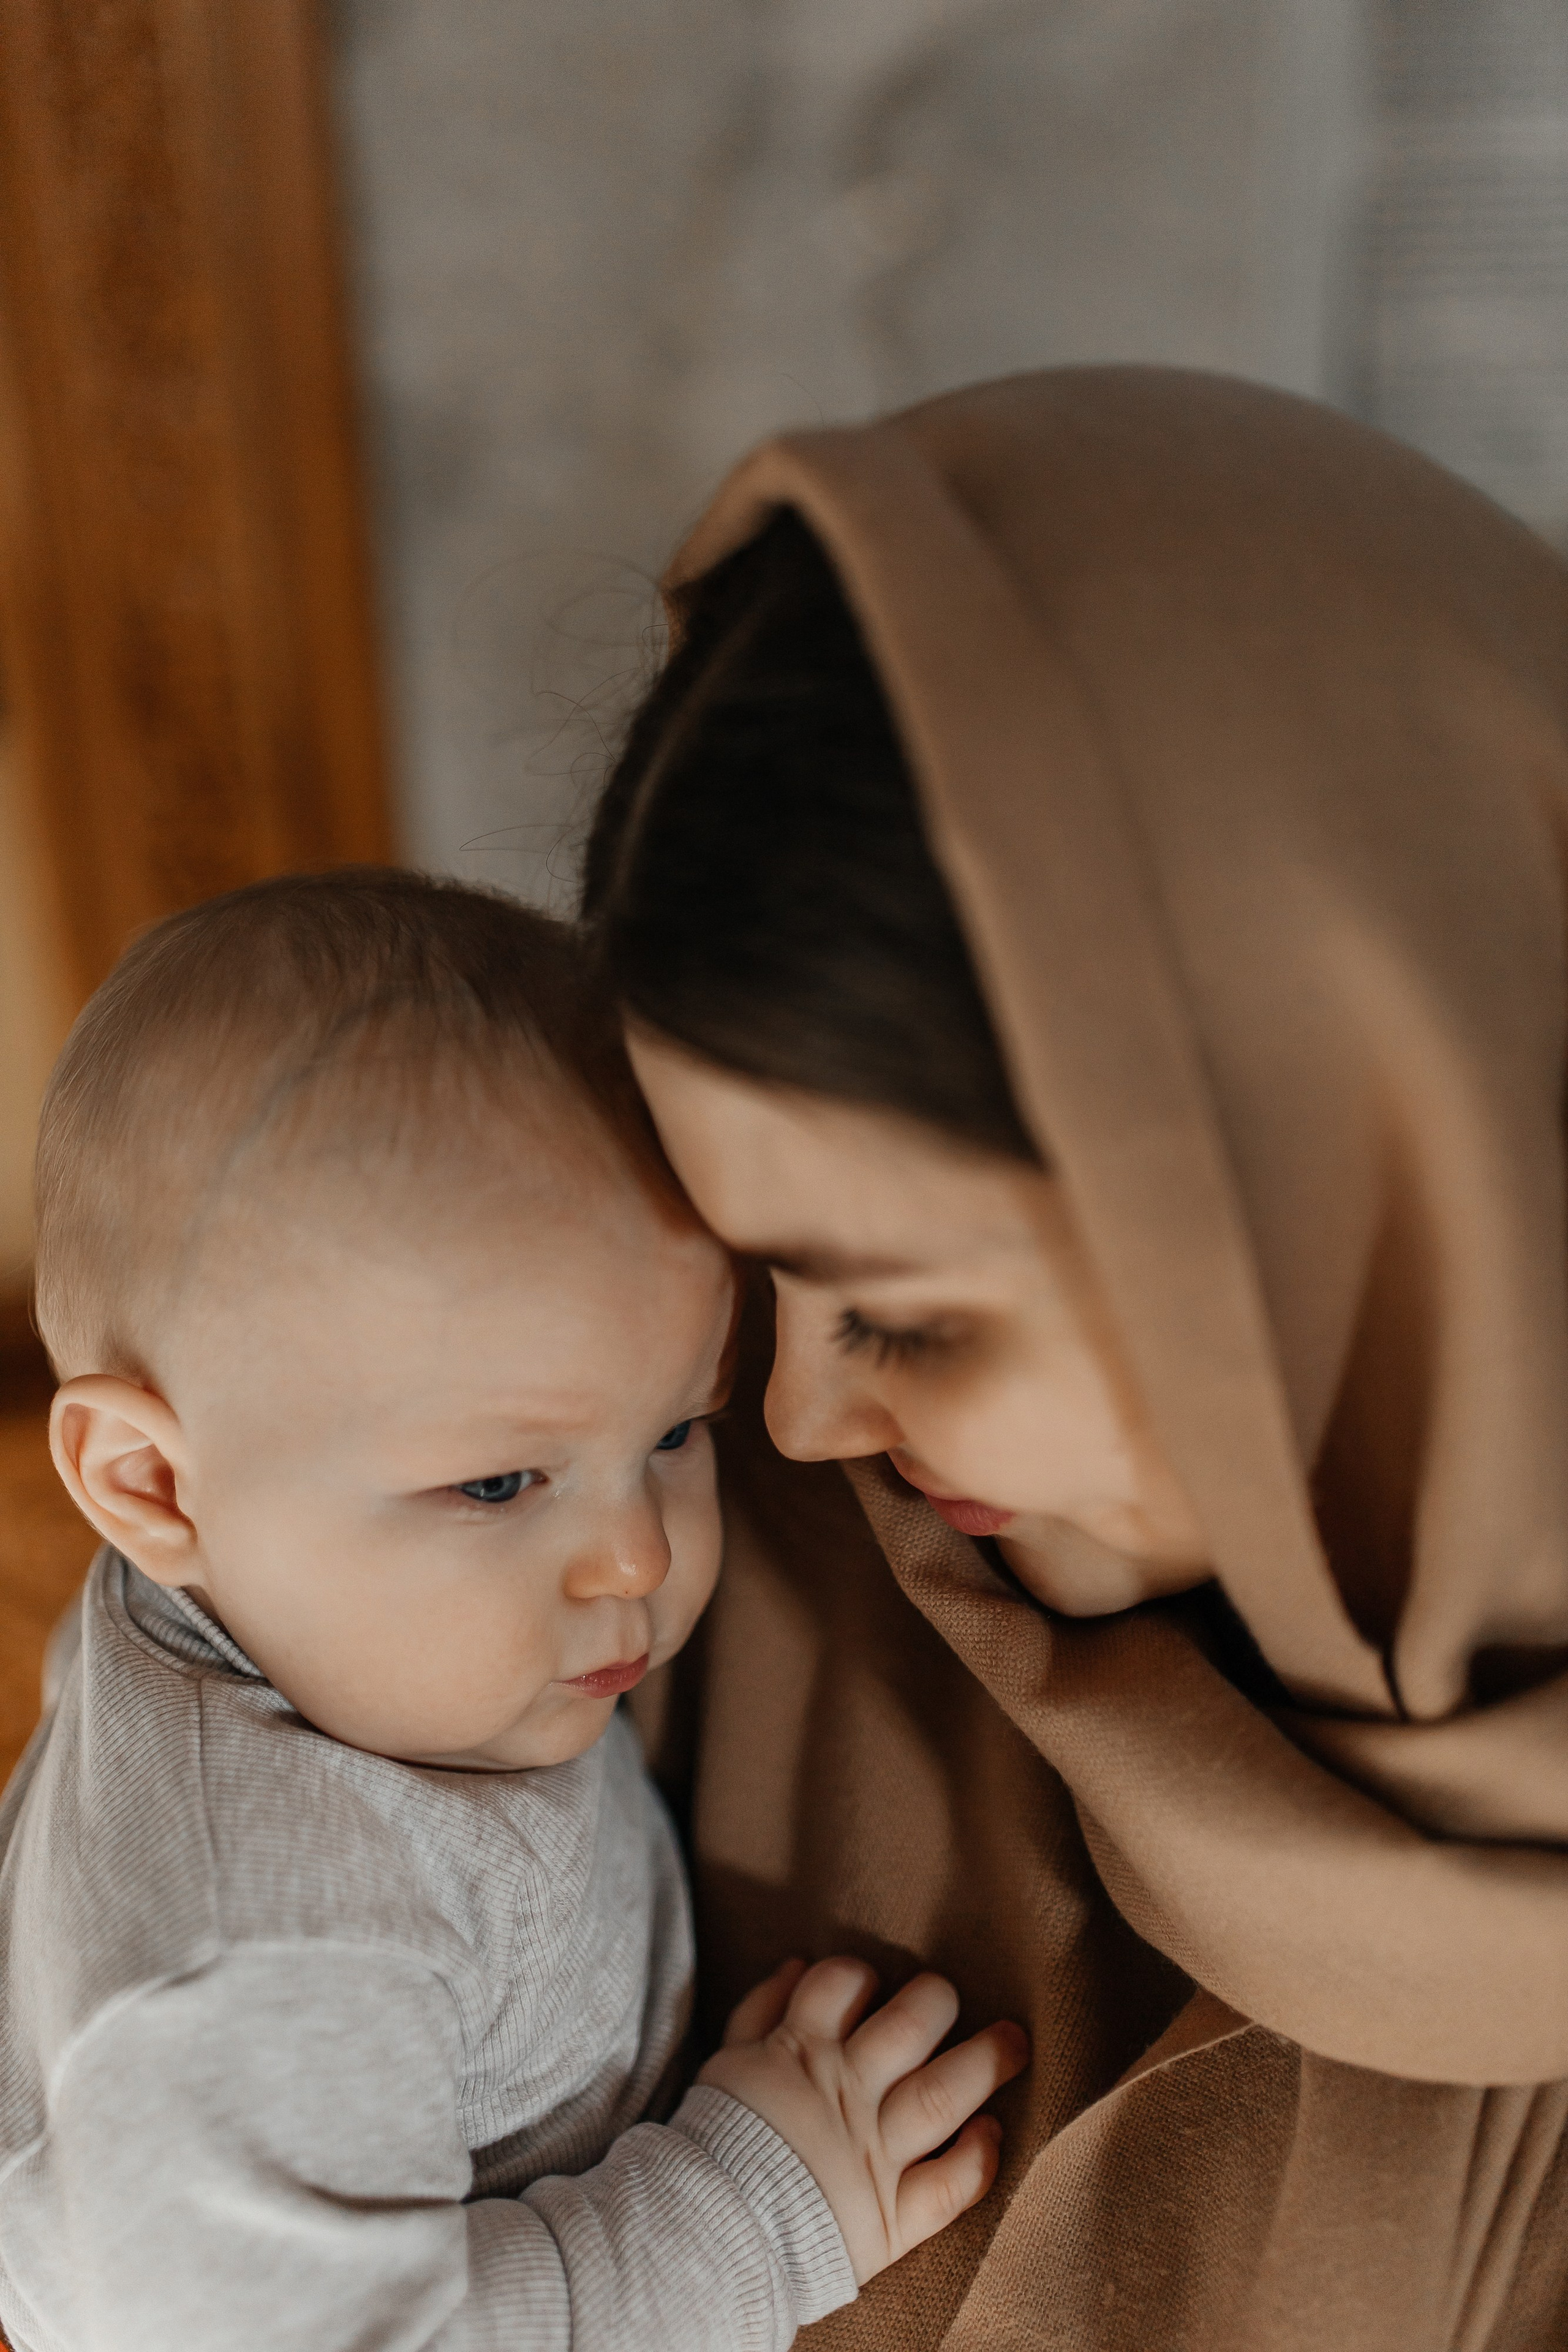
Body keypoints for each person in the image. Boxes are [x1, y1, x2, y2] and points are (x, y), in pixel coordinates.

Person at [582, 367, 1568, 2348]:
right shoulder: (649, 1577)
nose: (794, 1412)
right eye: (756, 1284)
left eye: (909, 1315)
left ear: (1339, 1205)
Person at [0, 870, 1026, 2352]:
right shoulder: (258, 1974)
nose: (634, 1557)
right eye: (497, 1486)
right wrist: (751, 2210)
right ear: (151, 1486)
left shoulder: (283, 1568)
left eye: (677, 1431)